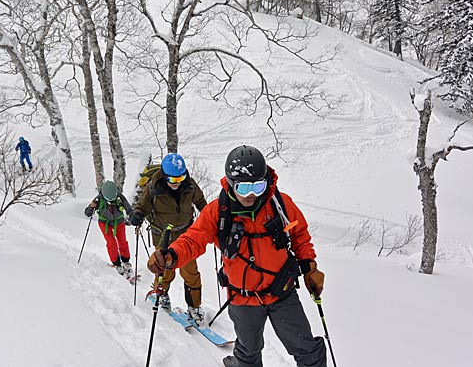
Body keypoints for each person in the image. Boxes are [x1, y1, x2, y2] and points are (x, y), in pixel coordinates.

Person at [147, 145, 326, 367]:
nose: (251, 195)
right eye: (243, 188)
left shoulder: (281, 204)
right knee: (248, 355)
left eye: (258, 186)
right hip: (244, 299)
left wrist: (310, 268)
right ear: (231, 184)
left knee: (307, 351)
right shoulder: (218, 211)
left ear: (266, 182)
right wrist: (172, 256)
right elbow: (193, 240)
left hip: (283, 292)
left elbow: (299, 235)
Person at [129, 153, 208, 324]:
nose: (177, 182)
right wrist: (137, 214)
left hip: (186, 236)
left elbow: (201, 202)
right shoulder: (153, 187)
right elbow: (143, 205)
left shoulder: (190, 186)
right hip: (162, 235)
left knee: (191, 272)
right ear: (165, 176)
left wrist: (211, 216)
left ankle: (194, 306)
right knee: (164, 270)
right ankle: (162, 295)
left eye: (180, 177)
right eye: (172, 179)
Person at [85, 180, 134, 278]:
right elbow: (87, 213)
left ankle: (126, 261)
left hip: (119, 221)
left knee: (122, 241)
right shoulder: (98, 199)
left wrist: (134, 216)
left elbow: (128, 208)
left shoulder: (119, 196)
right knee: (111, 243)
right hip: (104, 223)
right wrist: (91, 207)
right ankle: (116, 263)